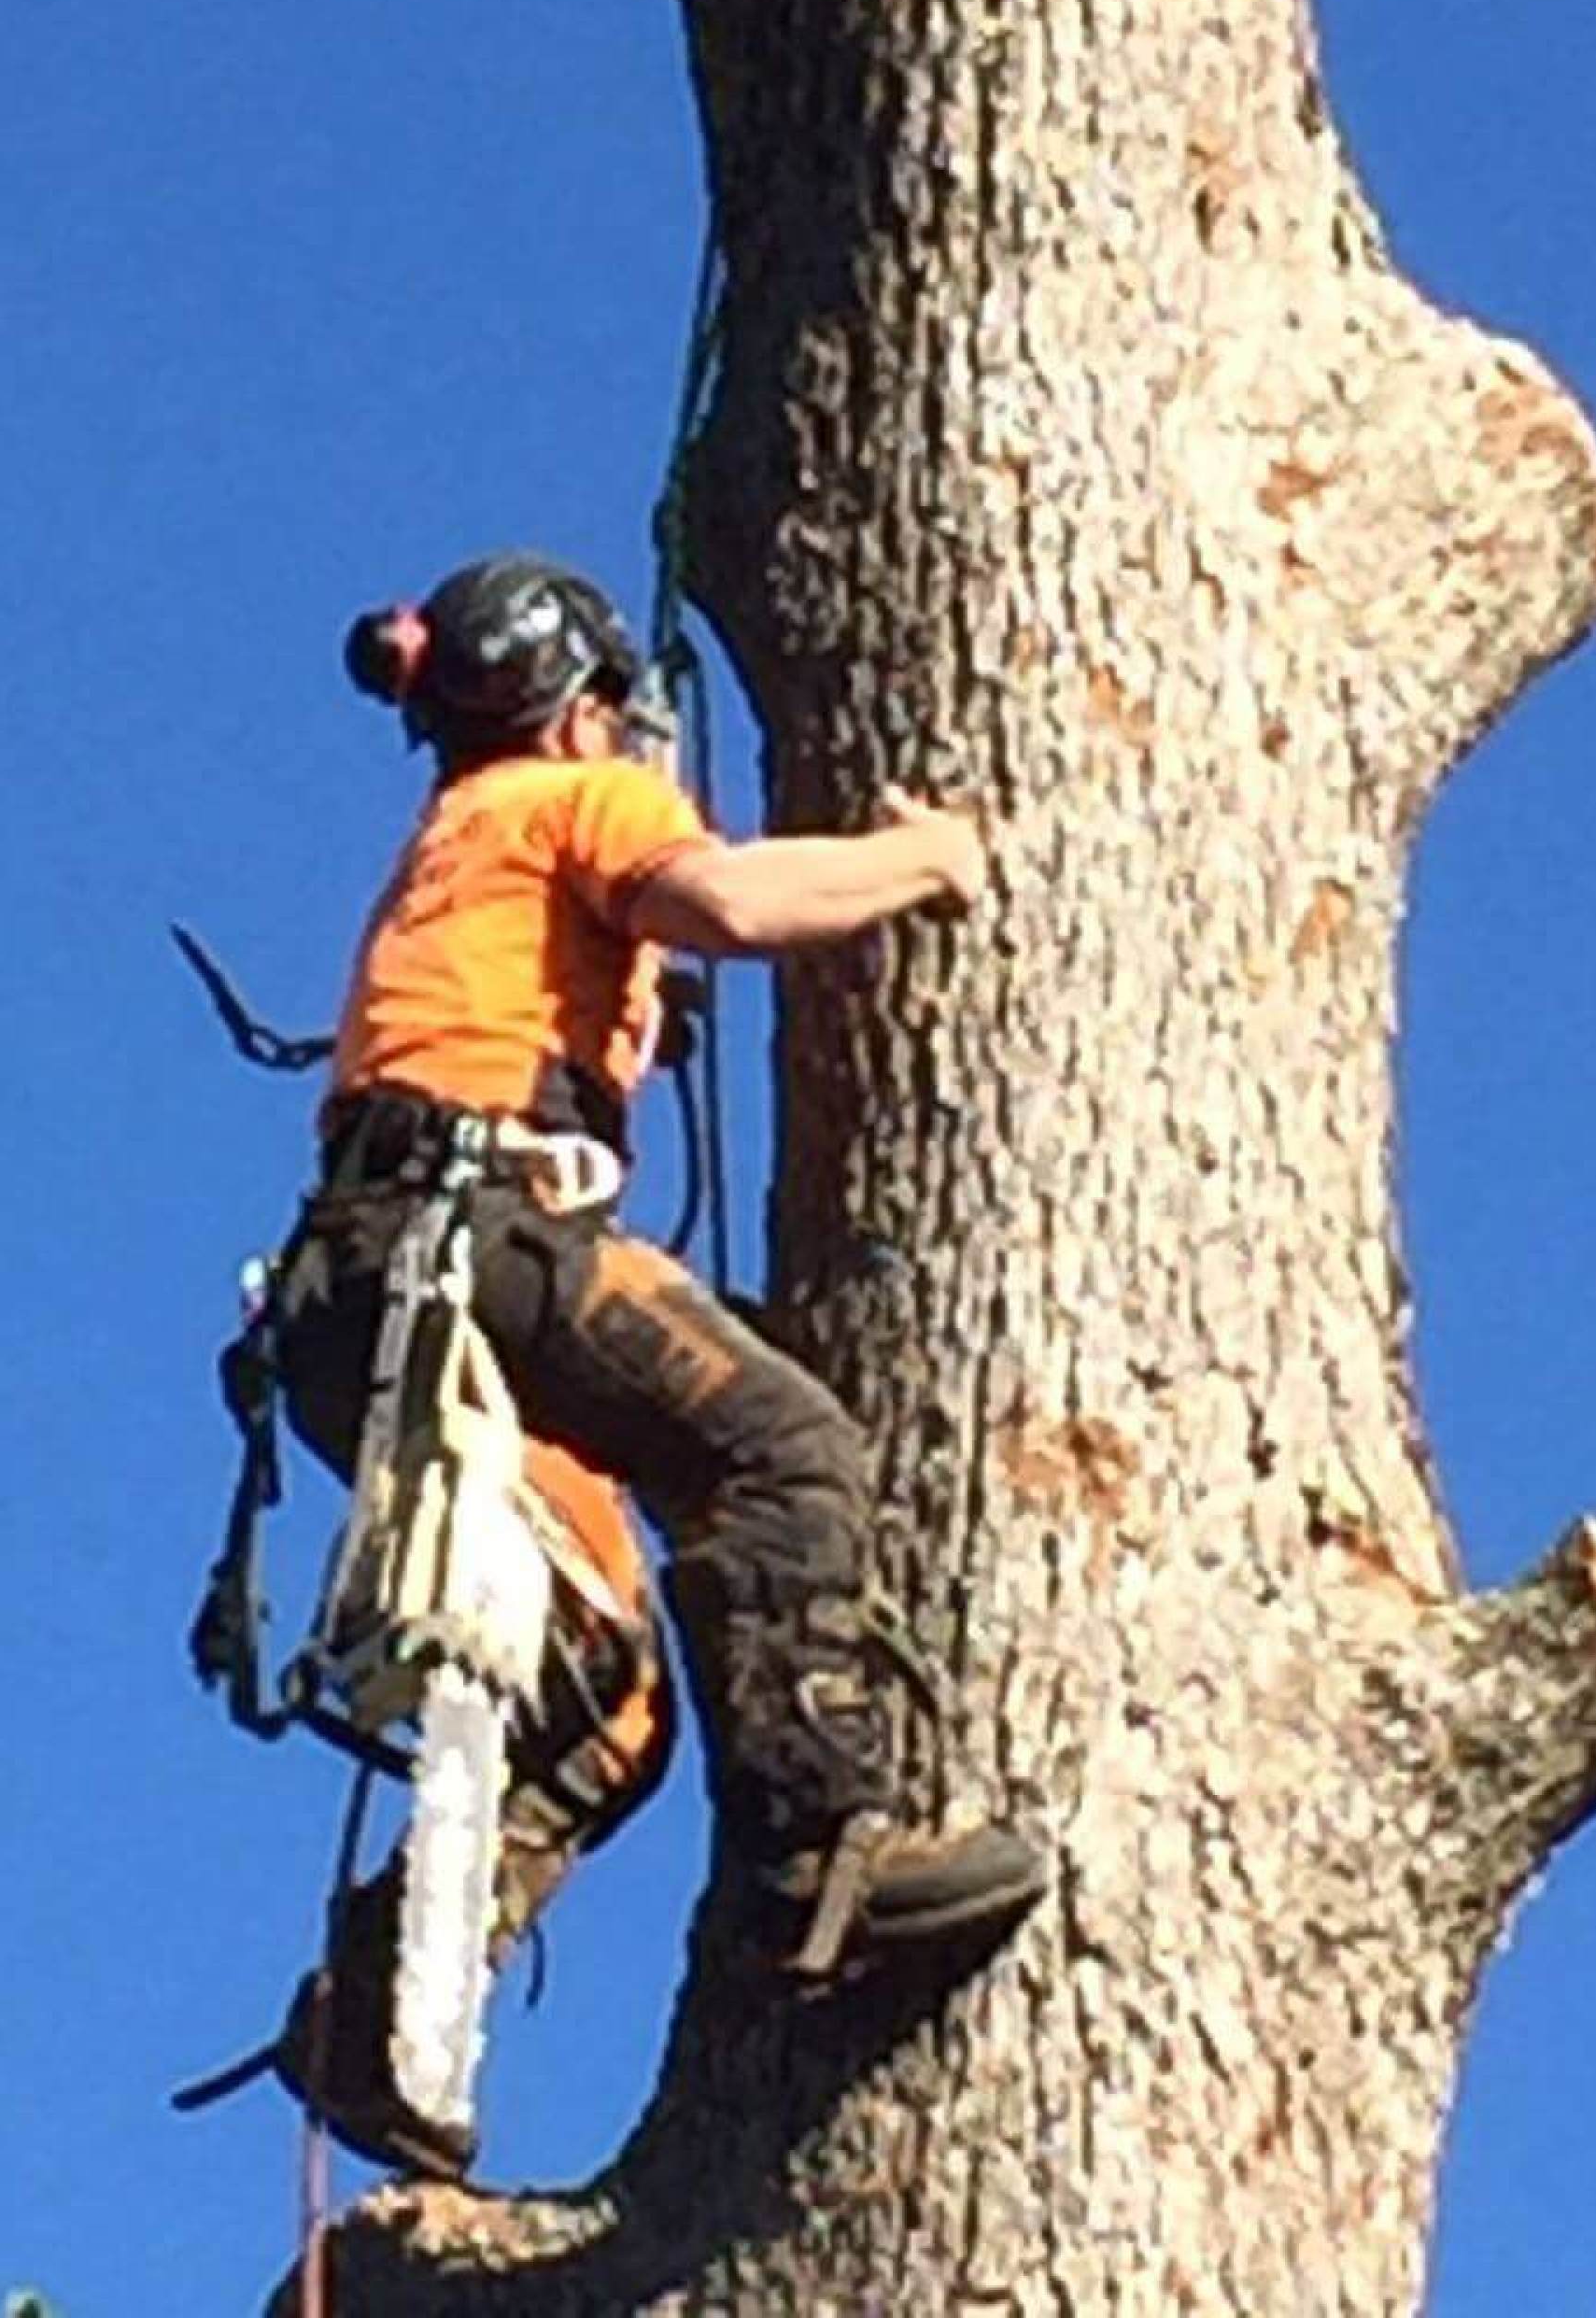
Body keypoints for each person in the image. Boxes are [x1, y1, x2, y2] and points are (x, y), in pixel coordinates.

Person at [265, 550, 1045, 2178]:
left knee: (598, 1703)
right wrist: (925, 856)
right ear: (586, 702)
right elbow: (738, 903)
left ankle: (373, 2008)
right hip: (481, 1243)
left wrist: (630, 1022)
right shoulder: (580, 801)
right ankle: (824, 1848)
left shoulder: (457, 841)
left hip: (361, 1296)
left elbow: (509, 998)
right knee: (782, 1449)